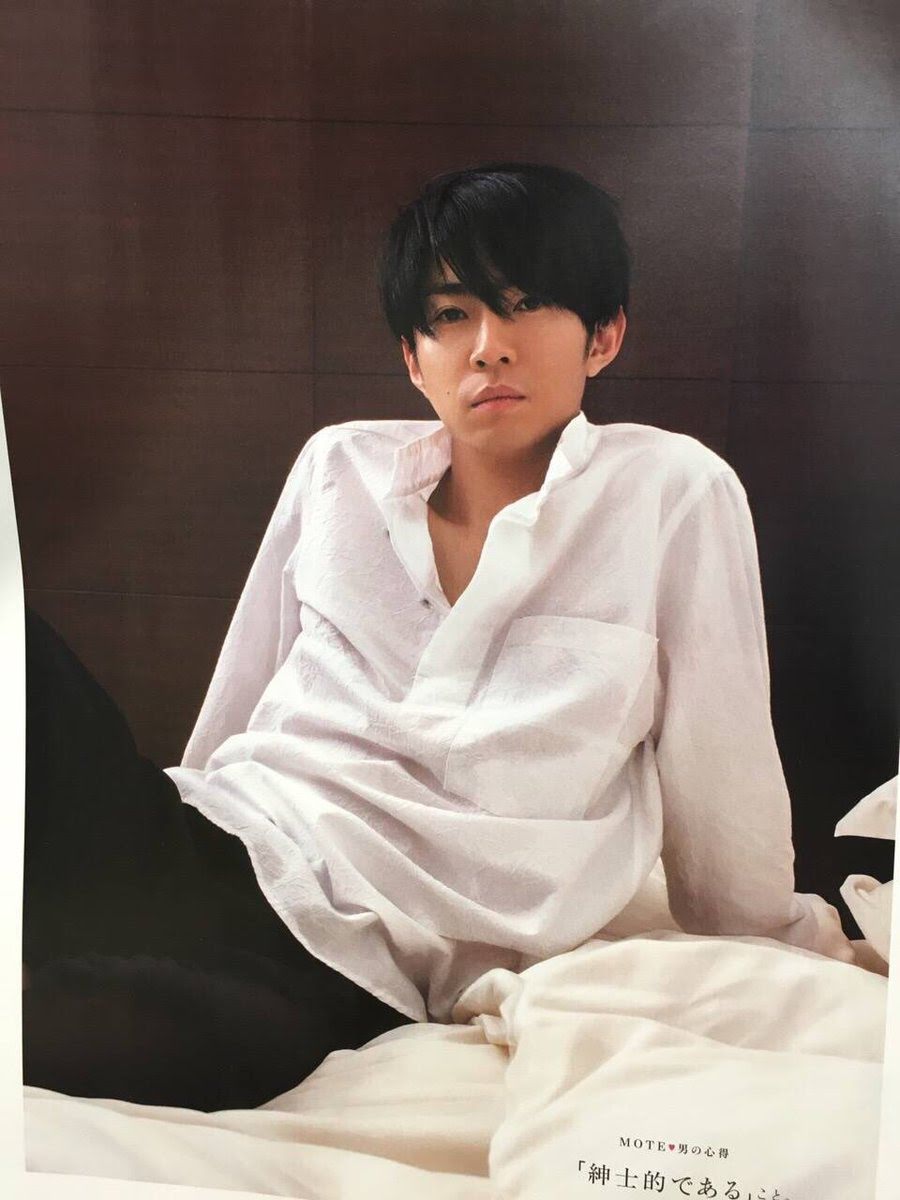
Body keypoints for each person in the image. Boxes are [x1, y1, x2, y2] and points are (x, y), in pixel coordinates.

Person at [22, 161, 853, 1113]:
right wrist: (161, 822)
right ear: (414, 361)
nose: (489, 348)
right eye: (451, 316)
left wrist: (779, 948)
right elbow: (243, 693)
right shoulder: (338, 467)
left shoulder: (672, 492)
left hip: (361, 966)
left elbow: (723, 771)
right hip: (221, 841)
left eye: (527, 304)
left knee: (114, 1036)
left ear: (604, 335)